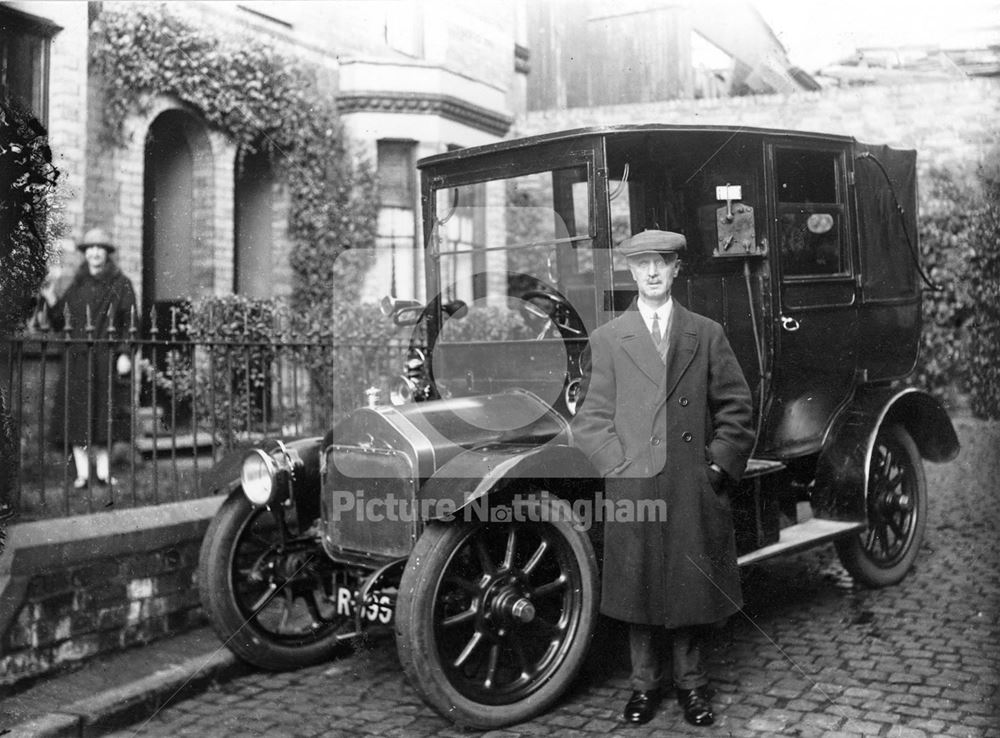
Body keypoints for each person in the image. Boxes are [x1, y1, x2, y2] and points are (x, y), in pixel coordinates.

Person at [571, 229, 754, 727]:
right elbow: (589, 420)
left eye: (664, 262)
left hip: (689, 482)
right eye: (643, 263)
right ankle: (644, 686)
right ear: (630, 272)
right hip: (636, 484)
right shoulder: (608, 339)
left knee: (690, 583)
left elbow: (737, 409)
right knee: (639, 587)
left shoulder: (706, 332)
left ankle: (693, 687)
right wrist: (617, 466)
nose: (653, 272)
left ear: (677, 269)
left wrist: (717, 465)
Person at [43, 227, 136, 488]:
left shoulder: (121, 284)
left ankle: (104, 473)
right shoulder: (78, 285)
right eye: (90, 249)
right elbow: (63, 321)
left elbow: (130, 322)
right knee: (77, 416)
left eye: (100, 249)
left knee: (103, 415)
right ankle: (83, 475)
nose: (95, 253)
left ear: (107, 254)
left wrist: (125, 353)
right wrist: (51, 300)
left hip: (105, 359)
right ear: (86, 254)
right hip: (78, 360)